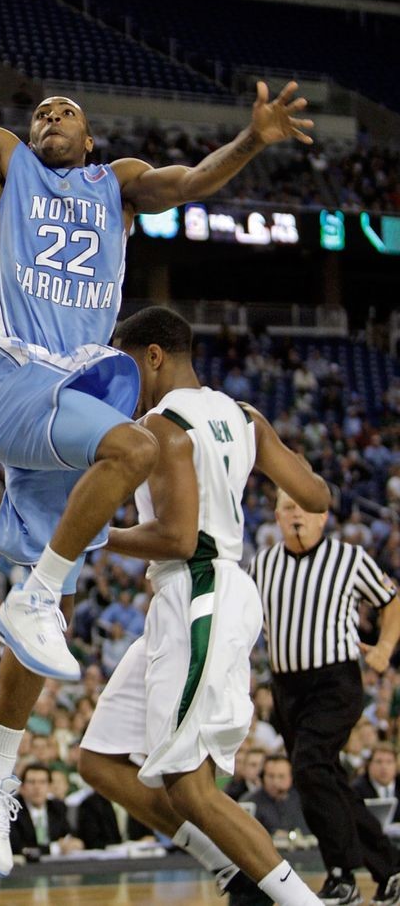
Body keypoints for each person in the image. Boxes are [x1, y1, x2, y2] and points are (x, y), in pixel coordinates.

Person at [0, 0, 315, 878]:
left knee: (43, 632)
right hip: (9, 376)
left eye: (64, 111)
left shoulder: (117, 187)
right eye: (41, 110)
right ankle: (39, 590)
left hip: (69, 397)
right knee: (135, 441)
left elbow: (195, 180)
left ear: (91, 137)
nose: (48, 116)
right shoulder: (2, 162)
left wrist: (252, 135)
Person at [76, 306, 331, 906]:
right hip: (198, 591)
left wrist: (93, 533)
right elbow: (315, 493)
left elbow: (178, 538)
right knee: (100, 760)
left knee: (190, 786)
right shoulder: (245, 417)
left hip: (199, 589)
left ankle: (302, 902)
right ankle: (233, 867)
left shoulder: (161, 427)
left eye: (128, 364)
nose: (125, 380)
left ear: (154, 356)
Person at [250, 495, 400, 906]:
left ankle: (340, 872)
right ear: (276, 517)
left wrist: (385, 646)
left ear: (323, 516)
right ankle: (390, 869)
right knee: (323, 778)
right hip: (285, 687)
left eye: (304, 507)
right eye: (286, 507)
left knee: (310, 765)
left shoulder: (349, 558)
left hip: (335, 681)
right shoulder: (261, 564)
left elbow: (391, 601)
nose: (295, 513)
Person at [8, 763, 84, 859]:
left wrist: (74, 843)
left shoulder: (58, 807)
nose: (37, 787)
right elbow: (17, 847)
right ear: (22, 788)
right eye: (32, 782)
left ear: (49, 787)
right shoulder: (12, 809)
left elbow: (68, 835)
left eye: (42, 782)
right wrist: (54, 848)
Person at [240, 755, 309, 836]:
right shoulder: (250, 801)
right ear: (262, 777)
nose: (275, 781)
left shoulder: (303, 799)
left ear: (291, 777)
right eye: (271, 776)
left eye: (281, 776)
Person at [352, 744, 400, 821]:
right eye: (379, 762)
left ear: (396, 766)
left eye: (389, 762)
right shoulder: (357, 789)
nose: (384, 767)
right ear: (369, 765)